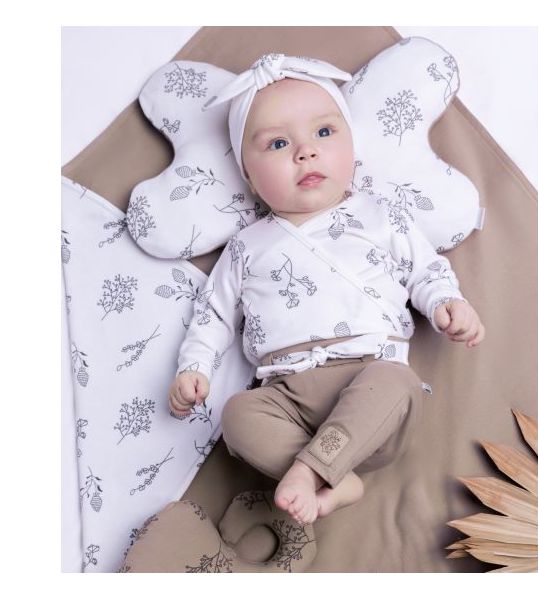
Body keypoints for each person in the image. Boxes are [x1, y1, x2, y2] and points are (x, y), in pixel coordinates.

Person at [168, 54, 485, 526]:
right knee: (237, 416)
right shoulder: (246, 247)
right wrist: (193, 366)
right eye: (278, 143)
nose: (305, 152)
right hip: (287, 397)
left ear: (352, 146)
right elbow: (213, 313)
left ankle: (311, 471)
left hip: (370, 386)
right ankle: (335, 477)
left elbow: (425, 269)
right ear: (249, 175)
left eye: (323, 132)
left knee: (398, 382)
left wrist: (446, 302)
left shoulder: (379, 216)